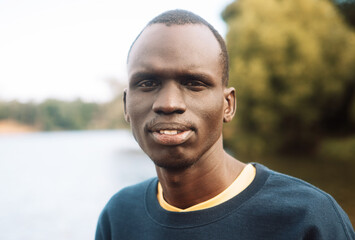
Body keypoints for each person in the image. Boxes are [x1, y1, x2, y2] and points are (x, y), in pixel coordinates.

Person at [95, 9, 355, 240]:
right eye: (148, 83)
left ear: (228, 105)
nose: (168, 103)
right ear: (126, 105)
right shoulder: (118, 216)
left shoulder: (308, 220)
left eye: (194, 83)